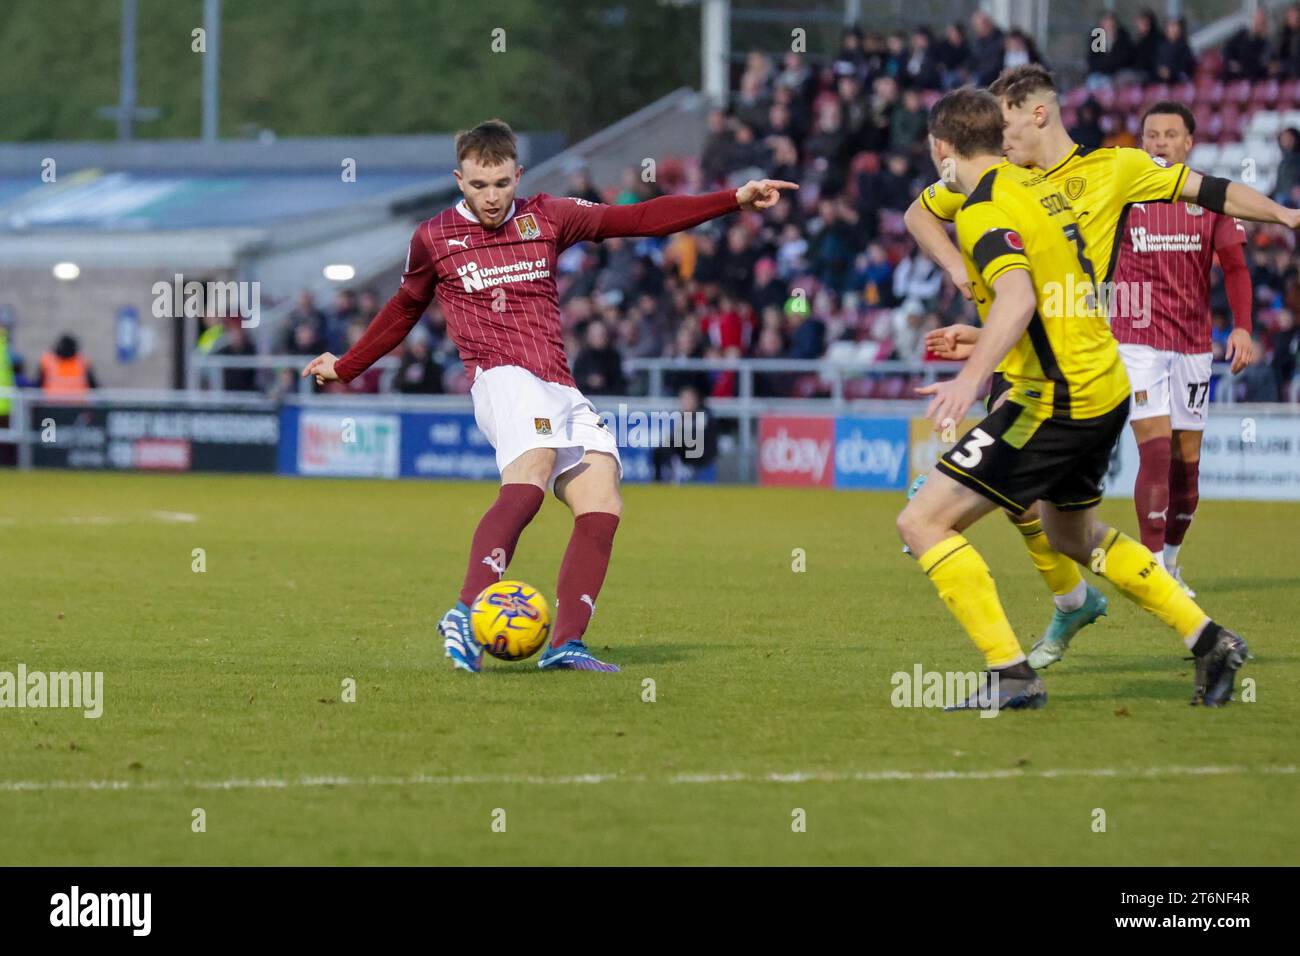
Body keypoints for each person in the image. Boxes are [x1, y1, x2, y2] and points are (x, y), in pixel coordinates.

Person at [301, 119, 796, 674]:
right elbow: (404, 309)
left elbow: (638, 220)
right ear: (458, 180)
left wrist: (733, 199)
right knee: (529, 482)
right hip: (501, 377)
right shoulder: (434, 238)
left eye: (501, 184)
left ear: (518, 175)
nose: (491, 197)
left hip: (559, 384)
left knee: (602, 499)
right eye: (478, 185)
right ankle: (465, 611)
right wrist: (346, 365)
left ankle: (565, 644)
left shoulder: (548, 216)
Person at [906, 64, 1299, 669]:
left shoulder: (1105, 171)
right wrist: (965, 277)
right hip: (1058, 357)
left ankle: (1019, 662)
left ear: (1036, 114)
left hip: (1061, 376)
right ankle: (1188, 633)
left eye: (1004, 121)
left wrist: (1290, 216)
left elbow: (1215, 192)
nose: (997, 135)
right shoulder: (1001, 182)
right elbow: (923, 217)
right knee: (1060, 528)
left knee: (932, 517)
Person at [1109, 102, 1255, 598]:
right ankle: (1150, 569)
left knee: (1185, 467)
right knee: (1152, 450)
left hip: (1193, 342)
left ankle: (1170, 563)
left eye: (1171, 134)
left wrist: (1243, 328)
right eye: (1151, 134)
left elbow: (1235, 267)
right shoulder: (1123, 196)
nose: (1160, 143)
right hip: (1137, 338)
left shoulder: (1210, 197)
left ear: (1189, 142)